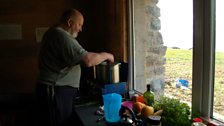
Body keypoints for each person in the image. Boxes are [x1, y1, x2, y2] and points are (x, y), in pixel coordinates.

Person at [36, 8, 114, 126]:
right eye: (79, 24)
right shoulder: (61, 35)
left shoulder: (54, 33)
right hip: (55, 89)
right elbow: (88, 60)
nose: (81, 29)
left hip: (59, 89)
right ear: (70, 23)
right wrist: (106, 55)